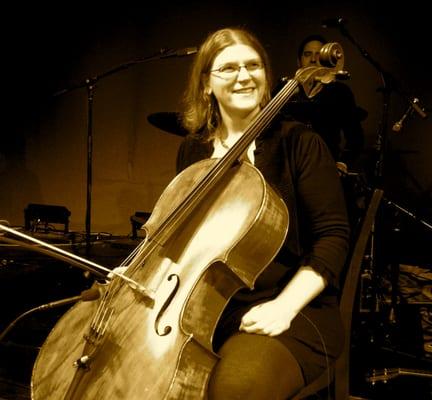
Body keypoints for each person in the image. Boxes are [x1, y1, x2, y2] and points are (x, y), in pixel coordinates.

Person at [176, 27, 350, 399]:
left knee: (236, 389)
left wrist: (284, 307)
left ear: (266, 76)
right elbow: (179, 235)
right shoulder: (193, 150)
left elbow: (333, 236)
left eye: (253, 65)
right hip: (207, 307)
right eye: (229, 68)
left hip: (292, 307)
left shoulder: (299, 143)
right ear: (206, 84)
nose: (243, 76)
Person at [280, 34, 366, 175]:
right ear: (299, 61)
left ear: (328, 60)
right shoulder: (285, 90)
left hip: (325, 169)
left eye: (319, 55)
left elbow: (355, 137)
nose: (313, 59)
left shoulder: (340, 92)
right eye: (307, 54)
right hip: (288, 170)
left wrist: (342, 163)